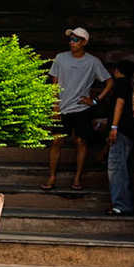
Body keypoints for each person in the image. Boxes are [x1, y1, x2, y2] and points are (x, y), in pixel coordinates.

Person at [44, 28, 113, 191]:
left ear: (84, 42)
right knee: (56, 141)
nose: (72, 43)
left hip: (82, 107)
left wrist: (95, 100)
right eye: (70, 39)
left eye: (75, 40)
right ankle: (52, 177)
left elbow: (109, 82)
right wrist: (55, 105)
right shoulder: (61, 58)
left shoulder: (92, 62)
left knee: (80, 141)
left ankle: (77, 178)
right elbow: (54, 83)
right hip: (62, 107)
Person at [106, 59, 134, 214]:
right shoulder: (132, 86)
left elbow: (119, 103)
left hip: (122, 130)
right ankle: (124, 203)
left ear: (117, 71)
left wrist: (114, 126)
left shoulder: (121, 83)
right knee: (122, 167)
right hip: (130, 129)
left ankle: (121, 205)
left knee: (116, 167)